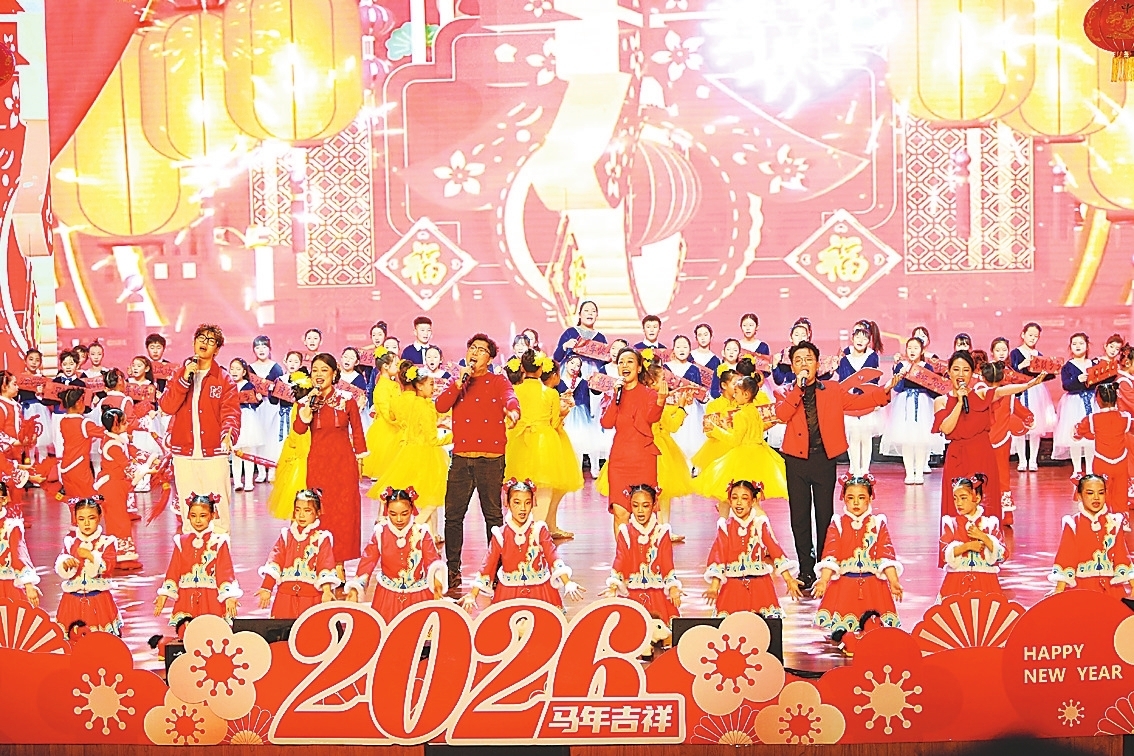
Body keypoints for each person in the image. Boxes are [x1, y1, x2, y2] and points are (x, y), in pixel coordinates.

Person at [775, 340, 895, 589]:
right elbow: (782, 415)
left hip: (823, 459)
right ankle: (806, 570)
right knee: (799, 517)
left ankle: (824, 567)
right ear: (793, 367)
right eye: (798, 360)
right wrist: (798, 390)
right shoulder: (787, 391)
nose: (804, 364)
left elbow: (858, 402)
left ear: (818, 364)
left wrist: (883, 391)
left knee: (825, 515)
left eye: (808, 359)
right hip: (796, 460)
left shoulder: (831, 389)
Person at [436, 334, 520, 596]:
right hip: (461, 458)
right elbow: (441, 405)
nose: (475, 353)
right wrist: (458, 383)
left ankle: (495, 570)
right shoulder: (458, 381)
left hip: (490, 459)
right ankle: (452, 570)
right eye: (472, 348)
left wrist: (513, 409)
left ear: (490, 358)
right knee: (453, 517)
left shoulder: (497, 381)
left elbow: (510, 397)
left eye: (481, 350)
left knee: (493, 517)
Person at [932, 351, 1045, 526]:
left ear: (972, 373)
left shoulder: (981, 394)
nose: (961, 374)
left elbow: (1002, 391)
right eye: (956, 369)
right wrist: (960, 403)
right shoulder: (941, 401)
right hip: (957, 458)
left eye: (966, 370)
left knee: (984, 502)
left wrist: (1028, 385)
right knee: (958, 503)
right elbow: (946, 428)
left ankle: (987, 540)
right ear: (948, 372)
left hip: (982, 454)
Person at [159, 324, 241, 533]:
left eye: (211, 341)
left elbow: (231, 413)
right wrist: (184, 379)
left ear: (217, 349)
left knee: (218, 510)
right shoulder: (179, 374)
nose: (205, 343)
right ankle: (192, 550)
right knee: (189, 511)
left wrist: (228, 434)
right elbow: (167, 406)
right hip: (184, 453)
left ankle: (219, 550)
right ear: (194, 342)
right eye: (201, 338)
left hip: (214, 452)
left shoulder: (224, 379)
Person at [461, 478, 584, 610]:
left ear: (533, 503)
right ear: (507, 503)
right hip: (508, 592)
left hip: (541, 590)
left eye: (527, 503)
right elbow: (488, 565)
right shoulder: (500, 535)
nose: (523, 508)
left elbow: (552, 557)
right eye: (517, 503)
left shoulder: (539, 530)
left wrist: (567, 582)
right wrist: (473, 594)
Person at [294, 353, 367, 571]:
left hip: (343, 464)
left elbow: (358, 431)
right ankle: (322, 562)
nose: (319, 374)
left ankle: (339, 565)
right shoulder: (306, 402)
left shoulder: (347, 399)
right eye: (315, 370)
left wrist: (360, 459)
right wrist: (309, 405)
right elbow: (299, 429)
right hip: (318, 465)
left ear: (334, 374)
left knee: (343, 513)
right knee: (320, 511)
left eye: (324, 370)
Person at [812, 474, 903, 637]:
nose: (855, 502)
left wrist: (893, 581)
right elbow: (831, 554)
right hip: (844, 587)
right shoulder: (838, 524)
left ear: (870, 499)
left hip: (873, 587)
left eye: (861, 497)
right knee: (844, 633)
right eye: (850, 498)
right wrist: (824, 580)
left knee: (876, 633)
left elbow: (886, 555)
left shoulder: (878, 524)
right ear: (844, 499)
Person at [504, 350, 582, 533]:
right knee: (545, 487)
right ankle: (538, 533)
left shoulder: (513, 391)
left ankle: (518, 531)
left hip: (518, 441)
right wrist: (564, 411)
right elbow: (554, 423)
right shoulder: (550, 393)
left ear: (522, 368)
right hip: (544, 442)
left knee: (518, 488)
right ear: (540, 369)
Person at [704, 480, 802, 619]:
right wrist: (714, 587)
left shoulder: (759, 524)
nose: (739, 502)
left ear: (753, 501)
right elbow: (718, 556)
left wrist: (789, 579)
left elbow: (775, 550)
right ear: (730, 501)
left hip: (761, 587)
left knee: (763, 626)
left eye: (744, 498)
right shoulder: (725, 527)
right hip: (733, 588)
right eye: (734, 498)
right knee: (732, 626)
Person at [346, 487, 445, 624]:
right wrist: (356, 588)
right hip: (387, 595)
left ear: (412, 509)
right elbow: (367, 561)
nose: (399, 519)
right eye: (393, 514)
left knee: (418, 631)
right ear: (387, 511)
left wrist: (437, 580)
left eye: (404, 514)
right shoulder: (380, 533)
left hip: (418, 594)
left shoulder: (421, 532)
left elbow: (432, 560)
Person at [369, 361, 451, 522]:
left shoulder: (399, 400)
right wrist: (454, 435)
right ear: (418, 385)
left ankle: (382, 518)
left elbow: (391, 417)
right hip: (423, 450)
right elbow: (431, 436)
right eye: (431, 384)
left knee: (394, 482)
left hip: (403, 444)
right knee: (429, 494)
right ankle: (423, 527)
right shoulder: (422, 404)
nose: (434, 388)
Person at [696, 375, 787, 516]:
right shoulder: (755, 411)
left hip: (743, 457)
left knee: (727, 493)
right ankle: (758, 526)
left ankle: (725, 524)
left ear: (746, 395)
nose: (734, 395)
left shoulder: (740, 415)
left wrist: (716, 430)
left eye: (737, 392)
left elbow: (735, 440)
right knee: (752, 498)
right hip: (760, 455)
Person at [601, 348, 665, 534]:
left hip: (643, 460)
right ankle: (622, 552)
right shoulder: (614, 393)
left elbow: (652, 418)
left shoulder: (649, 394)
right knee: (620, 512)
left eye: (629, 361)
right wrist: (615, 396)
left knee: (644, 512)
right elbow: (606, 423)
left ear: (638, 368)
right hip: (619, 461)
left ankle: (645, 550)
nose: (624, 365)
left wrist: (661, 400)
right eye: (621, 362)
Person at [154, 493, 242, 625]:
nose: (198, 520)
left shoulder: (218, 542)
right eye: (193, 516)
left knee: (212, 630)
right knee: (186, 631)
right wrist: (164, 593)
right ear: (188, 516)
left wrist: (229, 596)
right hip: (186, 598)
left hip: (211, 599)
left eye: (203, 516)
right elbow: (173, 570)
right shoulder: (181, 542)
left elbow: (225, 571)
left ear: (212, 515)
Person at [603, 484, 682, 626]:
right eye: (635, 505)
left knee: (663, 630)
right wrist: (613, 585)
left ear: (654, 505)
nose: (640, 510)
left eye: (645, 506)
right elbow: (620, 559)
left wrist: (673, 586)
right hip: (632, 593)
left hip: (658, 594)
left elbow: (667, 563)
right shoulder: (625, 533)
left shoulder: (661, 532)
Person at [256, 489, 339, 618]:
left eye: (307, 511)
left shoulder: (321, 538)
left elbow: (325, 565)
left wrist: (327, 591)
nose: (301, 515)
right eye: (298, 510)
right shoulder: (286, 536)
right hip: (285, 597)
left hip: (311, 598)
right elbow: (275, 561)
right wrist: (267, 587)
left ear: (317, 513)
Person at [1051, 474, 1132, 598]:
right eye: (1090, 493)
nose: (1096, 497)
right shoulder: (1073, 524)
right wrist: (1059, 589)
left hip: (1112, 589)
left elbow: (1122, 555)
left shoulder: (1114, 522)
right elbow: (1066, 557)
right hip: (1082, 589)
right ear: (1079, 496)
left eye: (1101, 493)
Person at [93, 407, 155, 570]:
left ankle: (120, 555)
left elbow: (132, 451)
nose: (127, 424)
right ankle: (121, 558)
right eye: (124, 422)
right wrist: (148, 469)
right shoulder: (112, 445)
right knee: (119, 522)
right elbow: (128, 467)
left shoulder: (116, 440)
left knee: (118, 520)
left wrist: (150, 459)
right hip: (111, 486)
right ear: (115, 426)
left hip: (116, 486)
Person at [880, 336, 943, 485]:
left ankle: (919, 472)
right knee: (906, 440)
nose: (912, 351)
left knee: (921, 440)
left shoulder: (927, 367)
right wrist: (901, 374)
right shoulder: (901, 365)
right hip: (905, 403)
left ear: (922, 350)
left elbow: (932, 390)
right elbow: (897, 388)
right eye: (909, 348)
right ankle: (909, 473)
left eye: (916, 348)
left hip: (923, 403)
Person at [55, 497, 121, 637]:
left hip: (99, 600)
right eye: (81, 519)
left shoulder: (107, 542)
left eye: (91, 518)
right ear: (76, 519)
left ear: (99, 517)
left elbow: (108, 567)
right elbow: (62, 561)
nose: (86, 523)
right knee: (72, 639)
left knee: (100, 640)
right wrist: (66, 563)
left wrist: (91, 557)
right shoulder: (70, 542)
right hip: (71, 601)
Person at [982, 359, 1034, 523]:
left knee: (982, 474)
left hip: (981, 441)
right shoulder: (1009, 397)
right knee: (1002, 475)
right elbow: (1026, 415)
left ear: (983, 378)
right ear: (1003, 377)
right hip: (1002, 441)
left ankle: (985, 511)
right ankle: (1007, 514)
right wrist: (1026, 424)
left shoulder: (978, 395)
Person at [939, 474, 1007, 599]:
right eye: (955, 498)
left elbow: (1003, 555)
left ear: (977, 498)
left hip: (986, 582)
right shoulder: (951, 524)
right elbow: (944, 554)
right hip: (956, 583)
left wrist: (983, 537)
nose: (958, 503)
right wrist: (967, 546)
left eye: (963, 498)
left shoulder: (990, 524)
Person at [1074, 381, 1131, 515]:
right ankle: (1122, 520)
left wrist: (1087, 434)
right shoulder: (1126, 418)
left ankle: (1102, 519)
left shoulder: (1092, 419)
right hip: (1121, 462)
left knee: (1100, 493)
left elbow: (1077, 434)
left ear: (1098, 400)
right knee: (1121, 494)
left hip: (1102, 461)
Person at [838, 320, 884, 477]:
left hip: (867, 401)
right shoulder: (845, 359)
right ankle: (854, 468)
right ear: (852, 338)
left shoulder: (872, 357)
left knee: (865, 436)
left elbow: (874, 379)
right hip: (849, 401)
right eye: (857, 337)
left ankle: (865, 470)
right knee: (853, 435)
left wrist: (875, 399)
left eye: (864, 338)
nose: (860, 341)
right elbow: (842, 381)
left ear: (869, 341)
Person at [1010, 322, 1057, 471]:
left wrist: (1051, 370)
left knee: (1036, 425)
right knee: (1020, 425)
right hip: (1020, 390)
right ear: (1023, 335)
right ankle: (1022, 460)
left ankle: (1033, 460)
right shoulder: (1015, 353)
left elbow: (1045, 376)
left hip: (1036, 391)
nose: (1032, 338)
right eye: (1030, 335)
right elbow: (1011, 372)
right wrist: (1022, 365)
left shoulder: (1039, 355)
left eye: (1036, 336)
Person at [1053, 333, 1096, 475]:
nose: (1078, 346)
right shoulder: (1067, 366)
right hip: (1074, 402)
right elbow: (1066, 385)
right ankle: (1077, 469)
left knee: (1091, 437)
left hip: (1091, 401)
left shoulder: (1093, 364)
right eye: (1074, 343)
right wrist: (1078, 379)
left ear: (1087, 346)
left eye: (1081, 343)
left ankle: (1090, 469)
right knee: (1074, 437)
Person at [361, 347, 404, 481]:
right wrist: (398, 420)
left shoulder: (392, 384)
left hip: (395, 425)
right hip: (387, 427)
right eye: (396, 364)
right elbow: (386, 411)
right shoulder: (382, 386)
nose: (398, 367)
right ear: (385, 366)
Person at [57, 388, 104, 501]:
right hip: (79, 468)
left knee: (73, 501)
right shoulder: (84, 423)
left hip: (65, 467)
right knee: (87, 500)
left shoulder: (63, 421)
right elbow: (105, 432)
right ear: (78, 403)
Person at [250, 336, 286, 480]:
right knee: (258, 438)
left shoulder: (276, 367)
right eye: (258, 347)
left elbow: (281, 388)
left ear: (270, 349)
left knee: (272, 438)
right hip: (257, 408)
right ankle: (260, 471)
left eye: (264, 347)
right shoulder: (250, 368)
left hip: (273, 407)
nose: (261, 350)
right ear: (254, 350)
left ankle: (272, 470)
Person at [0, 482, 39, 607]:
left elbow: (19, 555)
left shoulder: (11, 526)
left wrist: (28, 584)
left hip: (6, 585)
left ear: (4, 500)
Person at [228, 357, 264, 493]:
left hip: (247, 419)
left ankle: (249, 482)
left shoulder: (249, 385)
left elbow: (255, 402)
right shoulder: (228, 385)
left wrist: (259, 400)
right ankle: (237, 482)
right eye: (232, 368)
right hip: (233, 419)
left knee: (248, 453)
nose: (234, 371)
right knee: (235, 453)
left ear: (244, 372)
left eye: (238, 369)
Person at [553, 300, 606, 374]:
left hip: (592, 375)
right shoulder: (570, 332)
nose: (590, 313)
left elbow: (604, 363)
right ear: (580, 315)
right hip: (570, 373)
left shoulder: (600, 337)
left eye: (593, 311)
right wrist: (565, 346)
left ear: (597, 315)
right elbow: (556, 358)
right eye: (586, 310)